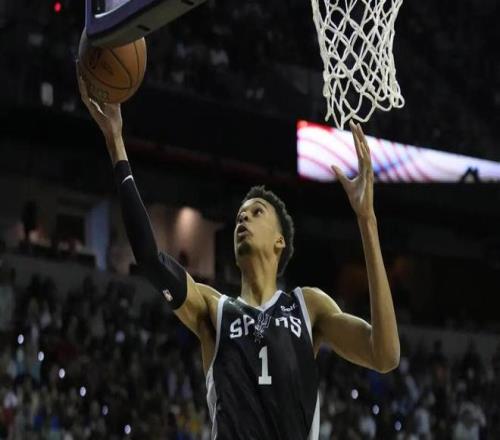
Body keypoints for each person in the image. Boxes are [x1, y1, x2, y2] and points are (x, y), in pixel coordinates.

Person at [76, 66, 399, 440]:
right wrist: (116, 142)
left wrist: (367, 220)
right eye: (240, 216)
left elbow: (385, 355)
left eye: (257, 212)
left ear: (280, 241)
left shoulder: (307, 306)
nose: (243, 218)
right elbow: (149, 259)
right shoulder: (214, 310)